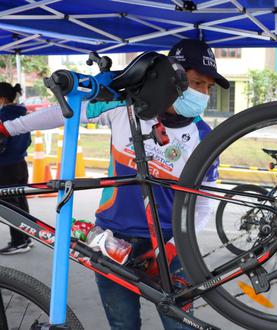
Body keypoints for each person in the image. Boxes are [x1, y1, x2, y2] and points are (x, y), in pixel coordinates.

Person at [0, 40, 229, 329]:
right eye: (197, 83)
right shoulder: (125, 108)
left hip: (170, 248)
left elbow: (204, 204)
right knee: (122, 325)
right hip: (112, 240)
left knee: (181, 326)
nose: (203, 94)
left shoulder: (204, 137)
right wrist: (7, 128)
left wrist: (174, 247)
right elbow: (63, 112)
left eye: (208, 87)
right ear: (173, 79)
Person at [0, 83, 33, 255]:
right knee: (20, 201)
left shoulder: (3, 115)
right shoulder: (22, 113)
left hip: (5, 167)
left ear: (2, 99)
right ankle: (26, 236)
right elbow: (28, 140)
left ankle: (19, 242)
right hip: (20, 163)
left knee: (9, 205)